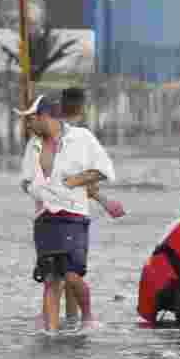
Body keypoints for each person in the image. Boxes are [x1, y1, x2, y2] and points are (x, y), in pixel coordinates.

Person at [18, 94, 116, 333]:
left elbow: (106, 171)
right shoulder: (33, 144)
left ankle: (87, 319)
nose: (28, 125)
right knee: (51, 278)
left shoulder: (81, 138)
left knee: (71, 276)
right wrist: (37, 189)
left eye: (31, 119)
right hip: (44, 219)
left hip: (74, 217)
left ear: (45, 117)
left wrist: (74, 181)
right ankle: (50, 334)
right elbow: (25, 181)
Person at [57, 86, 125, 328]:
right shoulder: (83, 137)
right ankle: (82, 320)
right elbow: (97, 174)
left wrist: (104, 201)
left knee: (60, 272)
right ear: (83, 108)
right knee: (72, 270)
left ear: (60, 105)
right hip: (74, 215)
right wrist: (106, 202)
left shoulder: (48, 135)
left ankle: (66, 320)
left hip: (48, 216)